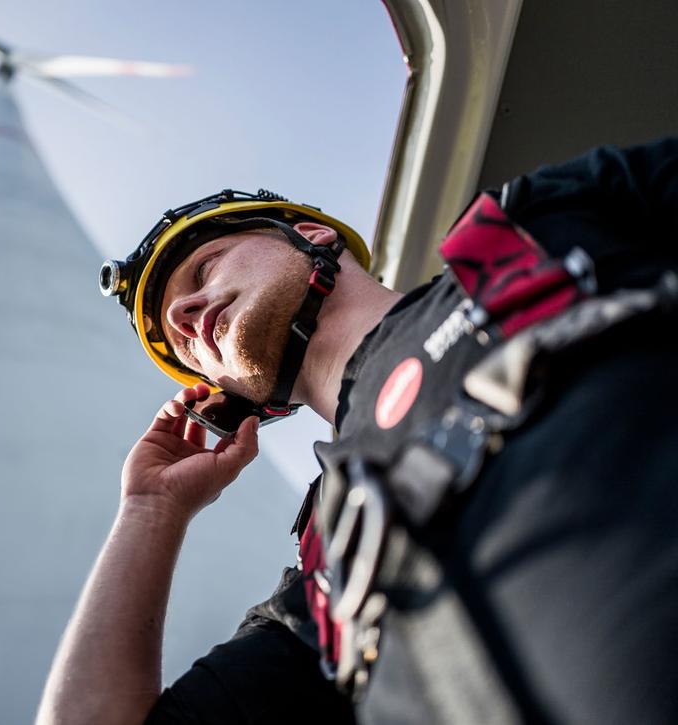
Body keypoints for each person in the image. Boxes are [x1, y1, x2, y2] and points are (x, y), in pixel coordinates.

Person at [36, 138, 678, 724]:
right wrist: (150, 510)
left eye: (203, 270)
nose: (184, 315)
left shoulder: (539, 230)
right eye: (182, 340)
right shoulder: (323, 588)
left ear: (311, 234)